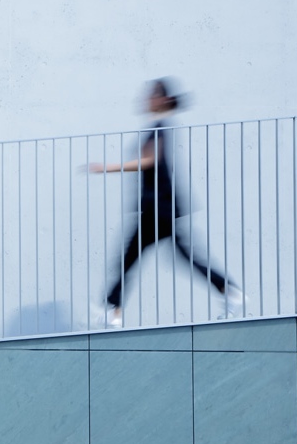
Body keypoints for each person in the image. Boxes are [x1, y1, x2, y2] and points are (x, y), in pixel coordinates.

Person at [87, 78, 244, 327]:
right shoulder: (159, 126)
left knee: (129, 257)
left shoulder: (158, 127)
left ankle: (113, 311)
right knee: (176, 255)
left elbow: (148, 161)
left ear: (162, 99)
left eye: (152, 94)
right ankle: (228, 289)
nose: (147, 99)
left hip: (156, 208)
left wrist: (107, 167)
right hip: (162, 207)